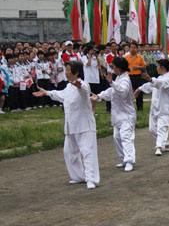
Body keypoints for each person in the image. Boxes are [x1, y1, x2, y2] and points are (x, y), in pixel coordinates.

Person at [33, 61, 100, 189]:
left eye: (68, 70)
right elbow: (61, 95)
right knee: (69, 152)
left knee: (87, 152)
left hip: (85, 126)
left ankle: (91, 179)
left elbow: (84, 91)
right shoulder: (68, 87)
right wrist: (47, 92)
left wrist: (79, 86)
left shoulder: (84, 85)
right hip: (70, 126)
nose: (66, 72)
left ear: (76, 72)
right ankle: (79, 177)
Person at [93, 57, 136, 172]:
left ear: (119, 68)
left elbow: (122, 92)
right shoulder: (118, 78)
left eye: (113, 67)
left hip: (127, 115)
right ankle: (123, 159)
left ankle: (129, 161)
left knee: (126, 137)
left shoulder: (125, 79)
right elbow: (112, 92)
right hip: (117, 115)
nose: (112, 69)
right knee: (116, 137)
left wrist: (111, 82)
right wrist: (99, 96)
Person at [135, 59, 169, 156]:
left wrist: (150, 79)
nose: (156, 68)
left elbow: (159, 84)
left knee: (161, 128)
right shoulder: (159, 78)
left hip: (164, 109)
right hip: (155, 108)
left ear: (162, 67)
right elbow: (151, 85)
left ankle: (159, 147)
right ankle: (166, 144)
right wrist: (139, 89)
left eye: (158, 66)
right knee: (152, 129)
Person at [125, 42, 147, 111]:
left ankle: (140, 108)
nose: (132, 49)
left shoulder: (140, 57)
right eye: (131, 47)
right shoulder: (126, 57)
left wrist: (138, 67)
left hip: (138, 76)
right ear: (129, 48)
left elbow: (144, 67)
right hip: (129, 77)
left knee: (139, 93)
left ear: (137, 49)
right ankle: (128, 109)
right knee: (128, 93)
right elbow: (123, 67)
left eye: (134, 47)